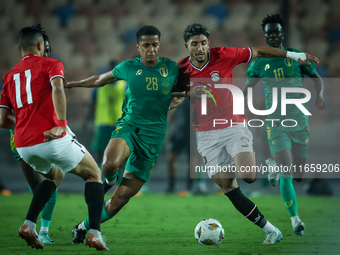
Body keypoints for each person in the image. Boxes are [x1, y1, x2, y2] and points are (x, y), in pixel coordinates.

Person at [175, 23, 319, 244]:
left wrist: (292, 54)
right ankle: (272, 231)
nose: (201, 47)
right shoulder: (182, 69)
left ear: (208, 43)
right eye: (195, 44)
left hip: (233, 125)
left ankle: (272, 165)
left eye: (204, 42)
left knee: (248, 176)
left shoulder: (224, 55)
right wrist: (186, 93)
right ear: (187, 46)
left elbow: (259, 51)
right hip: (205, 135)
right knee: (229, 188)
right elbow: (172, 94)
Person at [65, 26, 179, 244]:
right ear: (138, 47)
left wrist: (178, 99)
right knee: (108, 164)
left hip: (153, 138)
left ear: (160, 45)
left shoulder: (171, 68)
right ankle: (110, 178)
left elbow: (185, 90)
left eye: (155, 44)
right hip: (129, 126)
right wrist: (72, 84)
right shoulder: (128, 67)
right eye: (146, 45)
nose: (151, 49)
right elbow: (100, 79)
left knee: (121, 199)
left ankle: (82, 227)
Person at [0, 26, 108, 250]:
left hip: (23, 145)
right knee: (94, 174)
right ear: (41, 46)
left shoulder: (9, 77)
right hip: (50, 138)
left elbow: (2, 120)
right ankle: (95, 233)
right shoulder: (51, 64)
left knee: (54, 176)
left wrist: (23, 125)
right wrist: (59, 124)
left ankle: (29, 224)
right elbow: (58, 89)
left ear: (20, 48)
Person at [243, 14, 325, 235]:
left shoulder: (297, 57)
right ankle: (295, 220)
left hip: (299, 122)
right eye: (268, 32)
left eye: (276, 31)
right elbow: (248, 88)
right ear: (265, 35)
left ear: (282, 33)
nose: (272, 35)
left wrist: (319, 96)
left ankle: (273, 165)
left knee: (298, 174)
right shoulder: (259, 63)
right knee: (288, 173)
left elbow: (316, 77)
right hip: (275, 123)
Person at [83, 60, 126, 164]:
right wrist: (86, 121)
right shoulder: (99, 86)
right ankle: (100, 177)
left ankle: (118, 179)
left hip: (119, 125)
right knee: (100, 154)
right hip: (103, 124)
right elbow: (92, 105)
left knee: (121, 155)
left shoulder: (125, 86)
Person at [166, 97, 207, 195]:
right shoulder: (181, 97)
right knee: (171, 159)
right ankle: (171, 186)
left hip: (192, 134)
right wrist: (166, 128)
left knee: (192, 161)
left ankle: (190, 187)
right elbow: (173, 112)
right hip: (179, 133)